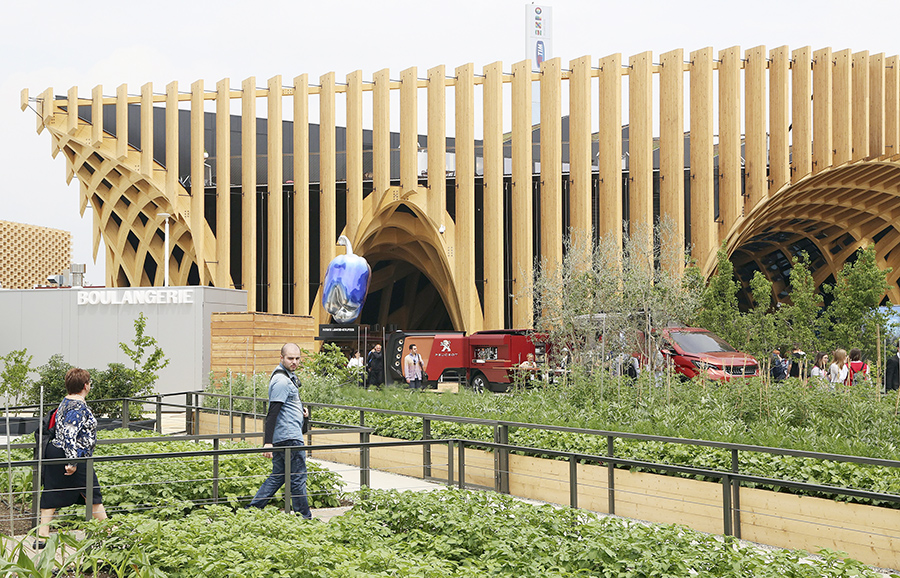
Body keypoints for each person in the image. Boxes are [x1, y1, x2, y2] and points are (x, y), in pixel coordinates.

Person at [38, 368, 108, 547]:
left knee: (52, 490)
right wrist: (72, 462)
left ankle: (42, 536)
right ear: (85, 386)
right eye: (89, 382)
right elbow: (70, 435)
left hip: (55, 451)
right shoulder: (78, 407)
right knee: (92, 493)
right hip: (75, 456)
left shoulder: (65, 402)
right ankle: (109, 532)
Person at [249, 343, 312, 518]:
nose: (294, 362)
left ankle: (251, 510)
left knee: (278, 476)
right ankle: (304, 518)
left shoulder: (287, 377)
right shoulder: (282, 381)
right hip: (289, 438)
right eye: (290, 358)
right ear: (281, 357)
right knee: (297, 477)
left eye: (297, 358)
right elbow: (272, 413)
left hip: (286, 435)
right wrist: (267, 442)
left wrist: (302, 414)